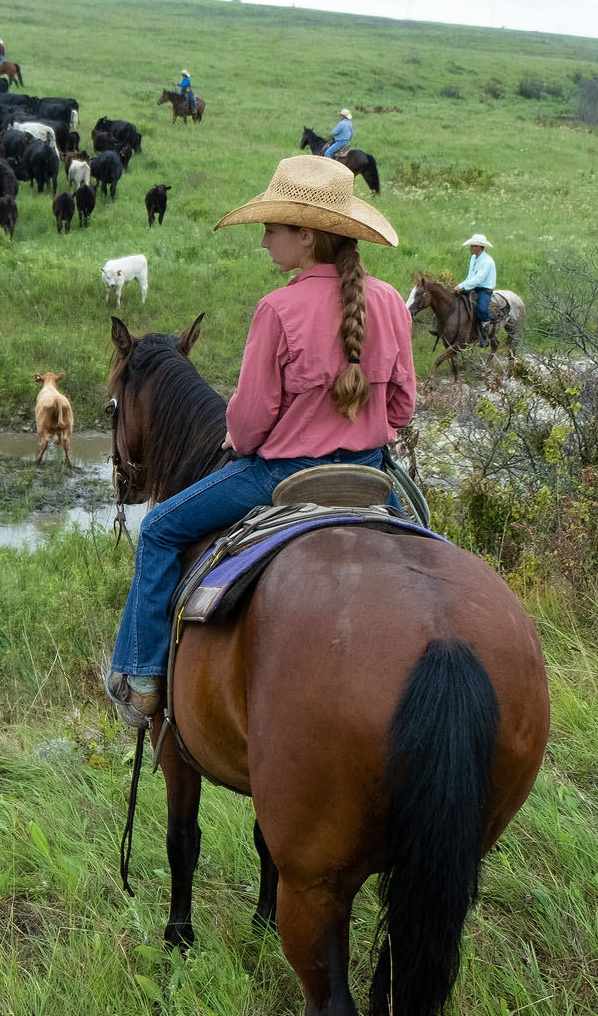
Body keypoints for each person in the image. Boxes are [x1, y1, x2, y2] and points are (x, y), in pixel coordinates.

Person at [103, 155, 416, 726]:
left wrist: (274, 433)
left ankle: (143, 677)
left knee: (159, 528)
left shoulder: (277, 309)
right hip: (370, 473)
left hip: (280, 478)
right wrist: (356, 430)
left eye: (273, 227)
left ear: (306, 234)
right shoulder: (392, 302)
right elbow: (402, 407)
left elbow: (246, 429)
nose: (265, 238)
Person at [458, 232, 496, 329]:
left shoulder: (487, 261)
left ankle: (488, 324)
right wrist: (460, 285)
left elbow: (478, 279)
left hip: (484, 290)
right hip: (473, 287)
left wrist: (462, 286)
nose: (470, 247)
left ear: (479, 247)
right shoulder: (473, 258)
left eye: (473, 245)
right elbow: (470, 277)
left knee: (482, 309)